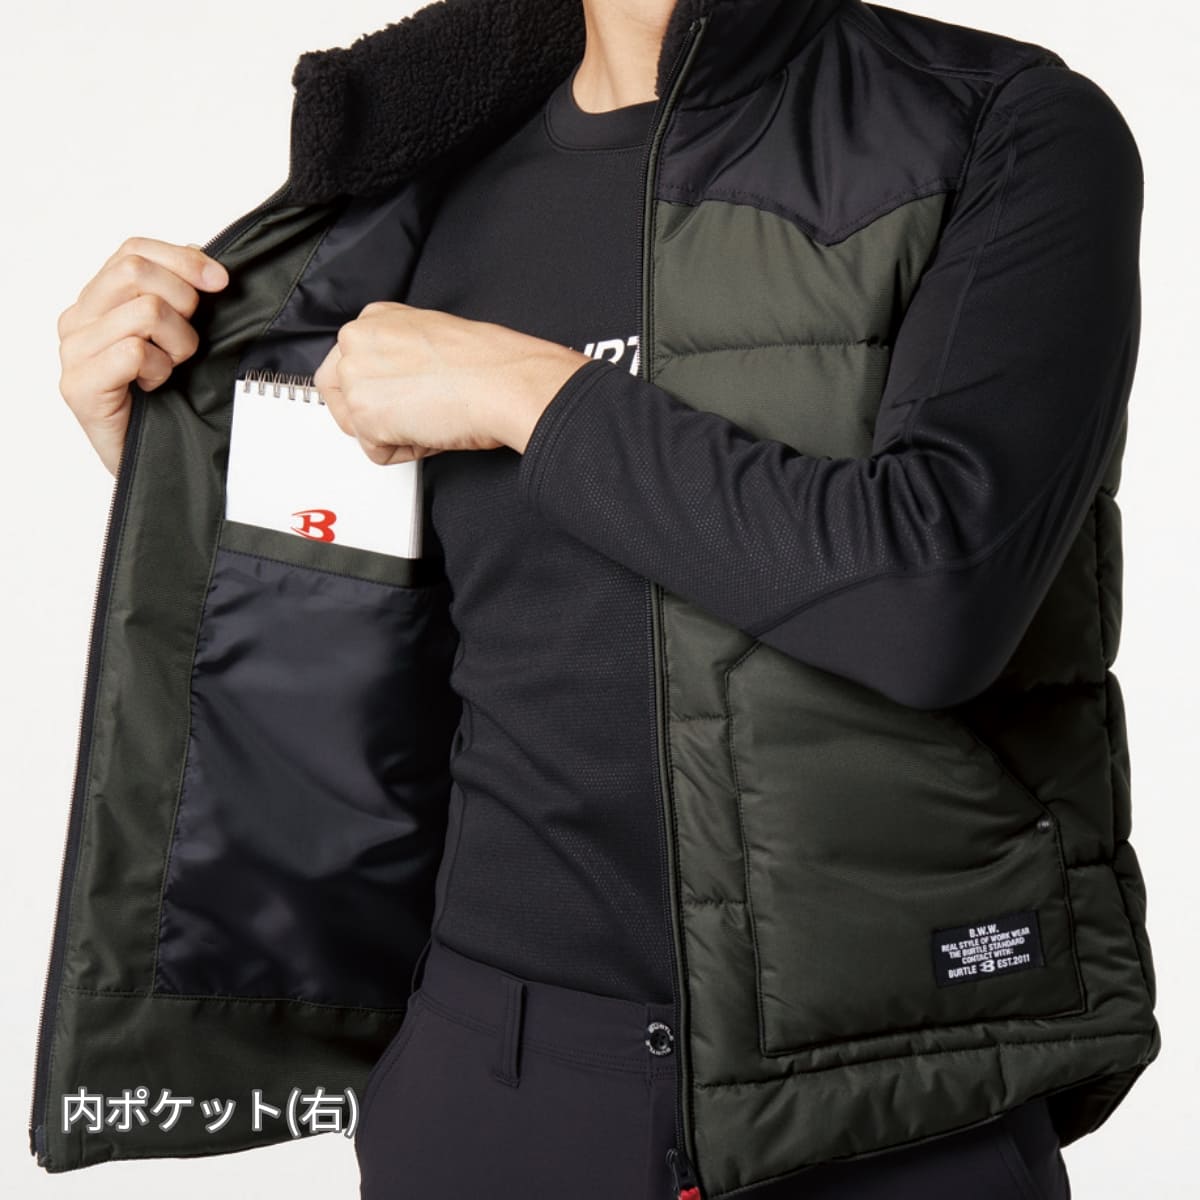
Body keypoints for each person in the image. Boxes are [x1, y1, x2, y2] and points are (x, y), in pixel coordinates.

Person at [54, 0, 1154, 1196]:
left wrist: (532, 393)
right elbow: (370, 637)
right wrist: (172, 468)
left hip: (883, 1101)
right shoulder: (421, 188)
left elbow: (934, 602)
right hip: (487, 1087)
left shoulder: (998, 125)